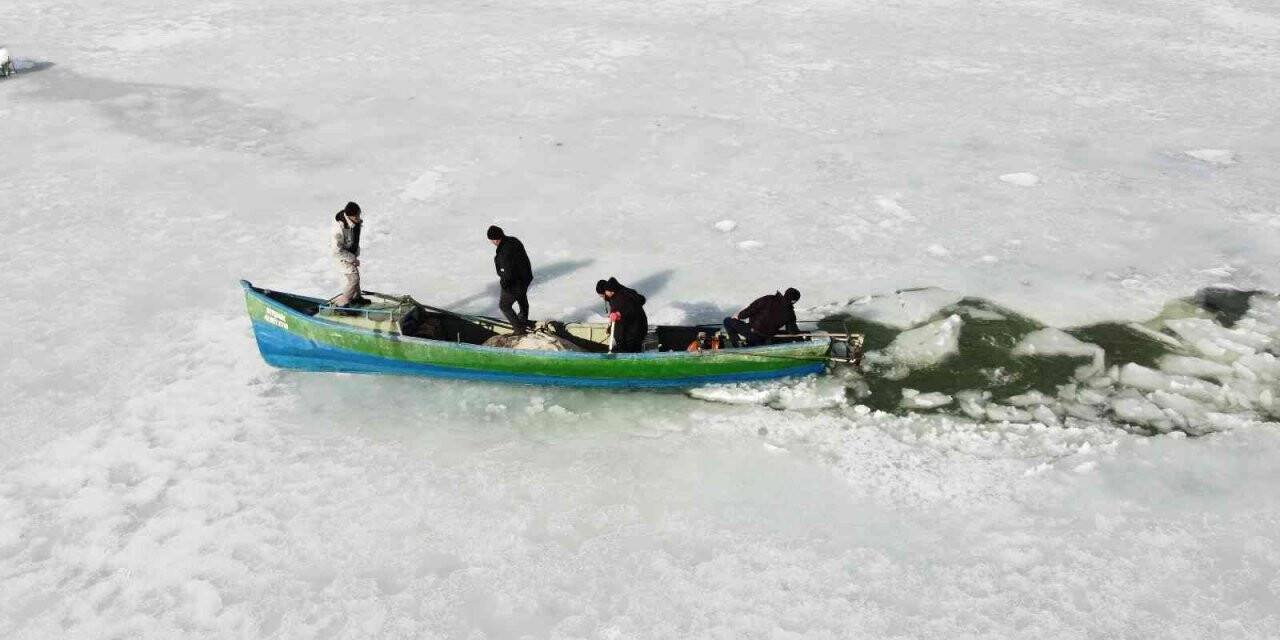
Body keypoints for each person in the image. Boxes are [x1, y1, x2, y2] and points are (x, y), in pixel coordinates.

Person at [488, 225, 533, 334]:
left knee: (504, 305)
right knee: (521, 296)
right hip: (525, 277)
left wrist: (504, 284)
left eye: (491, 240)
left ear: (495, 239)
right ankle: (523, 319)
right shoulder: (513, 240)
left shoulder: (503, 252)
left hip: (514, 282)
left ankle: (519, 330)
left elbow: (507, 272)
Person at [724, 288, 801, 347]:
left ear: (785, 294)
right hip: (766, 337)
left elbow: (751, 309)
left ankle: (737, 345)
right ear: (794, 301)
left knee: (727, 321)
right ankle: (751, 344)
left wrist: (739, 316)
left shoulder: (769, 298)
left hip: (752, 332)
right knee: (754, 338)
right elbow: (792, 331)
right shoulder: (790, 314)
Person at [596, 277, 648, 353]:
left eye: (602, 295)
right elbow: (640, 300)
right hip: (635, 331)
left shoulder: (620, 297)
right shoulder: (621, 294)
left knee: (630, 354)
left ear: (608, 290)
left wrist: (619, 313)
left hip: (632, 333)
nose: (603, 298)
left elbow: (630, 309)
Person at [331, 201, 367, 307]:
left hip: (349, 254)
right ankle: (341, 304)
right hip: (341, 256)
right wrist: (352, 258)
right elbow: (336, 251)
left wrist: (355, 255)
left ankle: (357, 298)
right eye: (356, 216)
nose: (358, 218)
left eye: (359, 215)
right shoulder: (338, 229)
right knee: (354, 279)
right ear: (349, 216)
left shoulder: (353, 222)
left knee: (355, 276)